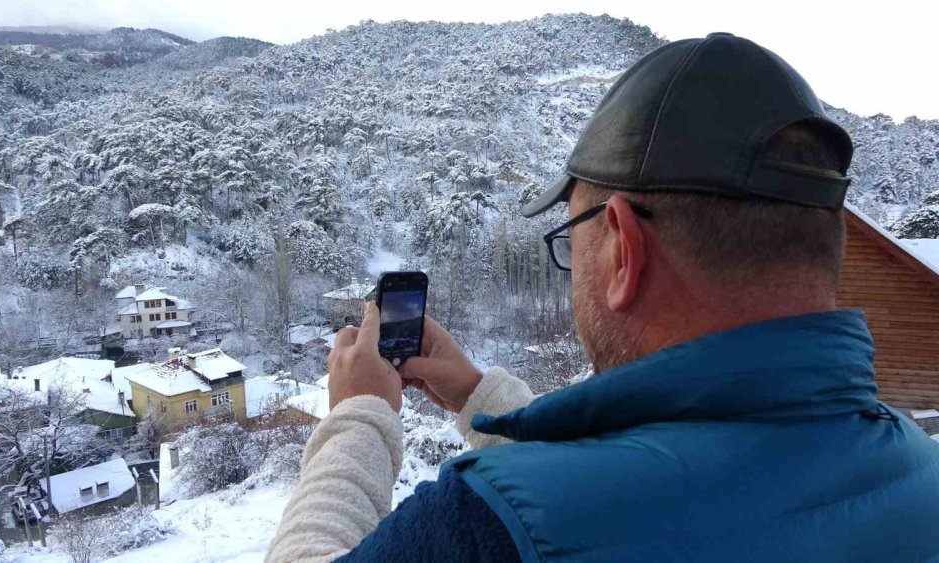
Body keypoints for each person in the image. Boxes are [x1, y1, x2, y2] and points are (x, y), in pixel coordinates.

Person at [267, 33, 939, 563]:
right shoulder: (918, 468)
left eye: (573, 235)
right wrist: (479, 395)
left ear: (621, 245)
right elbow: (650, 480)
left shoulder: (482, 526)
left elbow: (569, 514)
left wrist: (359, 414)